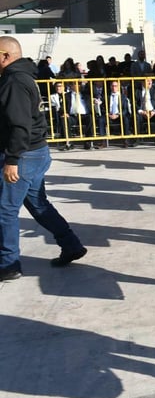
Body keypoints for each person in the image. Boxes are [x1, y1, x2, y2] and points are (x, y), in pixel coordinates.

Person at [0, 36, 88, 281]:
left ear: (6, 56)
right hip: (36, 152)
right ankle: (71, 245)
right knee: (39, 206)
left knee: (5, 211)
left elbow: (19, 126)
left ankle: (9, 264)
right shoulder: (22, 76)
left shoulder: (14, 81)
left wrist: (12, 160)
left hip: (24, 155)